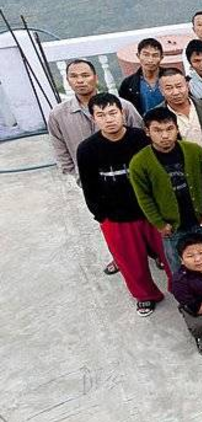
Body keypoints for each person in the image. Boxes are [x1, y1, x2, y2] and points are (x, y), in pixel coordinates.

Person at [76, 93, 167, 316]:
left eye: (112, 113)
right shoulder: (87, 149)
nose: (108, 119)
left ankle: (184, 291)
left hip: (151, 213)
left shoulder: (142, 139)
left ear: (122, 113)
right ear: (93, 118)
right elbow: (89, 186)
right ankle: (145, 296)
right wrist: (101, 215)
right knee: (130, 262)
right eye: (101, 115)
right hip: (116, 218)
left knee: (170, 255)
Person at [129, 108, 202, 276]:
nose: (165, 135)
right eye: (157, 130)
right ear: (147, 132)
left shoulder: (194, 151)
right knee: (180, 270)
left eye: (169, 129)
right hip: (172, 227)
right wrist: (160, 224)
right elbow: (144, 197)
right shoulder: (139, 162)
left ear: (177, 129)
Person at [47, 59, 144, 180]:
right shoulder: (58, 114)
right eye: (74, 76)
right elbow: (60, 150)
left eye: (85, 75)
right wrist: (77, 177)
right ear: (67, 80)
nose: (80, 81)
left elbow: (142, 139)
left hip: (129, 176)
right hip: (86, 179)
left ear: (95, 77)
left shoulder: (123, 106)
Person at [117, 38, 165, 114]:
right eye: (146, 55)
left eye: (155, 55)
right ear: (138, 55)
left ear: (161, 57)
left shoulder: (171, 77)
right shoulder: (128, 84)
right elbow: (126, 111)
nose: (150, 60)